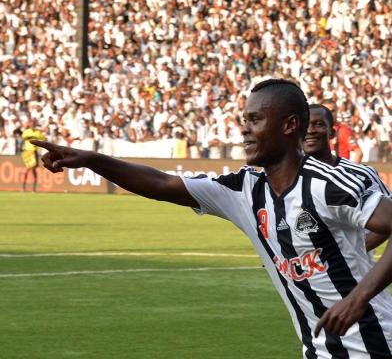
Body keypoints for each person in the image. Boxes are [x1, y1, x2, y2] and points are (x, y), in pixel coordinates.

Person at [32, 79, 392, 358]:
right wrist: (94, 160)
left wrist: (357, 299)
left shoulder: (328, 184)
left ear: (288, 125)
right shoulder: (243, 189)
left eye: (255, 120)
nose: (244, 130)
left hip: (379, 344)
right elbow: (161, 183)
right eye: (244, 120)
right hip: (320, 349)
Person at [303, 104, 390, 252]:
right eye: (305, 125)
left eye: (319, 124)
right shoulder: (289, 179)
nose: (310, 130)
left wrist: (352, 251)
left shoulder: (363, 175)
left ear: (332, 133)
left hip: (357, 273)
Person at [21, 119, 45, 192]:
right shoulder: (26, 132)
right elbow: (24, 137)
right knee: (27, 169)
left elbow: (43, 139)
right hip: (28, 151)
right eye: (31, 123)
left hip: (34, 152)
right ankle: (23, 187)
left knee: (34, 170)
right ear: (30, 124)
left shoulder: (38, 132)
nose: (33, 125)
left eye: (34, 123)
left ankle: (33, 189)